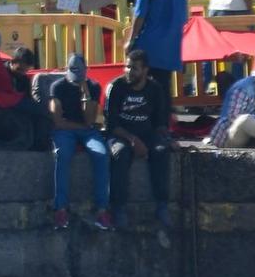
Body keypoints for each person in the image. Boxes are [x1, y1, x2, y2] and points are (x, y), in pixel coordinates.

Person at [105, 47, 174, 238]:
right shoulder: (117, 87)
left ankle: (162, 205)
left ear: (145, 70)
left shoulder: (155, 89)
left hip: (147, 134)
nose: (128, 71)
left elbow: (160, 123)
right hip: (121, 135)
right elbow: (112, 125)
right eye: (127, 67)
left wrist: (168, 140)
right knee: (120, 153)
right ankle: (118, 207)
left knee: (161, 151)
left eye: (134, 68)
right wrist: (133, 140)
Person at [47, 53, 112, 231]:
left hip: (86, 130)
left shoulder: (93, 86)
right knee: (62, 154)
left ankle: (102, 210)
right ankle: (60, 208)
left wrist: (85, 93)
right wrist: (80, 125)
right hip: (64, 130)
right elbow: (57, 120)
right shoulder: (57, 87)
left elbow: (90, 119)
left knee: (101, 154)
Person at [129, 0, 188, 91]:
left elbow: (140, 14)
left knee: (146, 91)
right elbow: (183, 18)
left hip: (149, 46)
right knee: (163, 91)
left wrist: (130, 41)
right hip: (171, 46)